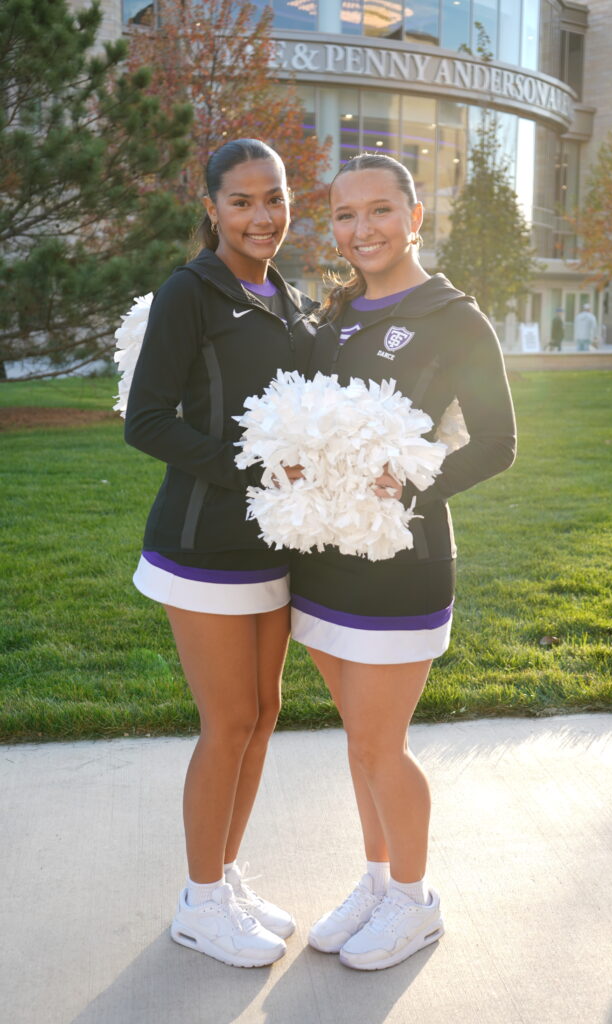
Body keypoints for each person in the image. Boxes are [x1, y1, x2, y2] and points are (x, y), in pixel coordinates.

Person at [288, 153, 516, 971]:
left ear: (415, 217)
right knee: (357, 740)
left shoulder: (455, 317)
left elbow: (497, 443)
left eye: (379, 211)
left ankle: (416, 903)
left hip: (400, 557)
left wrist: (410, 483)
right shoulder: (332, 315)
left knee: (382, 743)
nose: (361, 231)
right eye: (344, 216)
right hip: (320, 559)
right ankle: (379, 880)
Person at [124, 139, 317, 968]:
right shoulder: (189, 292)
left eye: (272, 198)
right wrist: (251, 467)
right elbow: (148, 420)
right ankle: (199, 904)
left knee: (265, 715)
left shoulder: (287, 295)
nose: (260, 216)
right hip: (201, 543)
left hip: (272, 542)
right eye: (240, 201)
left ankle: (224, 879)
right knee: (228, 720)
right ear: (210, 207)